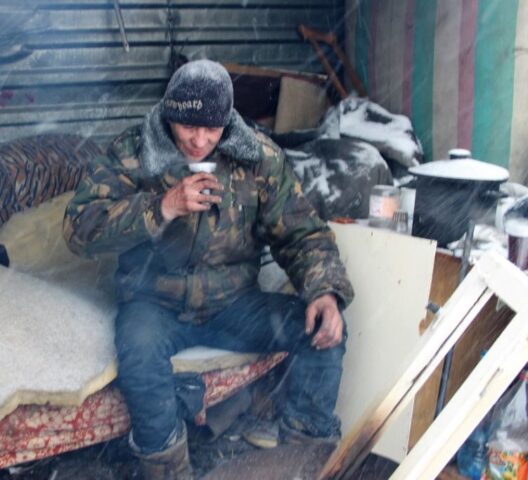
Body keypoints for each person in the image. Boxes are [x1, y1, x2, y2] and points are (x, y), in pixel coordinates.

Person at [63, 59, 354, 479]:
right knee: (138, 353)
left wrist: (324, 290)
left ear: (227, 123)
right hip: (155, 303)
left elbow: (301, 232)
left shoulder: (257, 158)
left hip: (234, 305)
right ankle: (170, 472)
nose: (199, 141)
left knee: (322, 331)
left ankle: (303, 465)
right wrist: (161, 207)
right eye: (188, 127)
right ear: (169, 114)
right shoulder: (134, 152)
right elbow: (79, 229)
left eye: (212, 129)